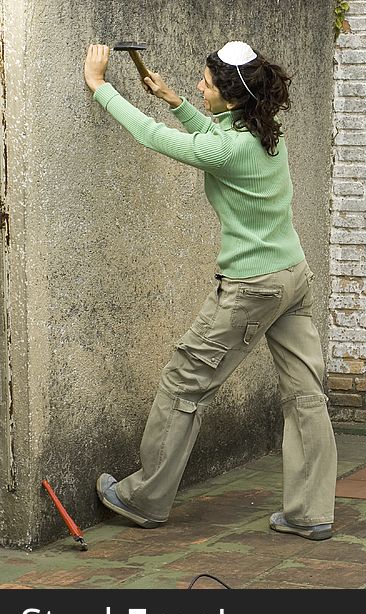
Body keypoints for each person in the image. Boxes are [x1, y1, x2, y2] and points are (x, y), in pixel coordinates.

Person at [83, 41, 337, 540]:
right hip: (292, 277)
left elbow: (156, 139)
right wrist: (178, 101)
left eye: (205, 83)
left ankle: (145, 498)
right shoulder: (265, 132)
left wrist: (100, 87)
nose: (200, 86)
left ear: (231, 94)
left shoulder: (230, 146)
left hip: (251, 287)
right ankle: (311, 512)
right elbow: (219, 146)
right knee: (306, 394)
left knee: (184, 382)